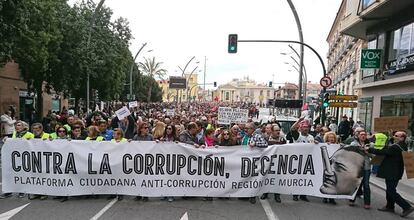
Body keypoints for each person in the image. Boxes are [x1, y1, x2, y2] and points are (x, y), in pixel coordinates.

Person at [368, 131, 414, 217]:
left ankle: (407, 207)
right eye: (394, 135)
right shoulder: (403, 146)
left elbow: (384, 152)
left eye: (396, 136)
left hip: (392, 172)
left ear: (402, 138)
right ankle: (390, 206)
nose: (394, 136)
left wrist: (370, 149)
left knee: (391, 190)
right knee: (390, 189)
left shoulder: (396, 147)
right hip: (396, 171)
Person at [241, 122, 268, 204]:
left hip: (254, 161)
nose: (245, 130)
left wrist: (255, 144)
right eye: (245, 128)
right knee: (245, 178)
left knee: (252, 179)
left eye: (247, 128)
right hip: (245, 160)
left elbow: (265, 144)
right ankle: (245, 194)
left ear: (252, 129)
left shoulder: (257, 136)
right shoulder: (245, 136)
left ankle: (252, 196)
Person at [288, 117, 313, 202]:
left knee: (305, 178)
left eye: (307, 127)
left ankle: (303, 195)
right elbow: (292, 129)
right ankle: (295, 194)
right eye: (304, 127)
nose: (305, 129)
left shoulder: (311, 137)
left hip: (307, 160)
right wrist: (298, 121)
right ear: (301, 128)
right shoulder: (298, 136)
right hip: (298, 160)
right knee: (297, 178)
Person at [261, 125, 286, 203]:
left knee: (277, 178)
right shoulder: (266, 139)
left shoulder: (282, 140)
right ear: (271, 131)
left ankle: (277, 195)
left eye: (279, 130)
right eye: (276, 130)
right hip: (269, 162)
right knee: (267, 177)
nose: (278, 132)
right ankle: (265, 193)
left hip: (279, 162)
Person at [348, 130, 372, 209]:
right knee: (356, 183)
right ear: (358, 136)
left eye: (365, 135)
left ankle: (367, 203)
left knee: (366, 185)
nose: (363, 136)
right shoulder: (354, 143)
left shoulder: (370, 144)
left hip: (366, 167)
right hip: (357, 167)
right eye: (361, 134)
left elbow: (373, 155)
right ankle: (352, 199)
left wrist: (367, 152)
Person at [320, 131, 338, 205]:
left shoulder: (337, 146)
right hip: (326, 167)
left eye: (333, 137)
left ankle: (332, 198)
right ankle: (325, 197)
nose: (332, 139)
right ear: (327, 138)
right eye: (330, 137)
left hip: (334, 167)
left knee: (334, 182)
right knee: (326, 181)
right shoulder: (324, 145)